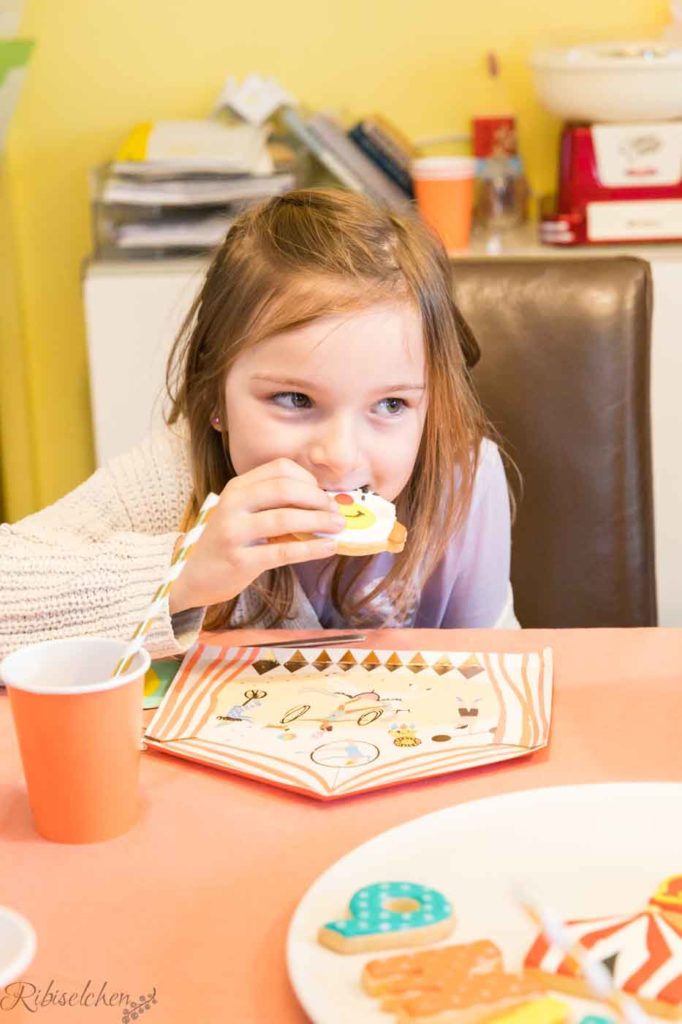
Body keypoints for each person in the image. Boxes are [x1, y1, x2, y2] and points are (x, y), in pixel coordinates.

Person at [0, 188, 518, 662]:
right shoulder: (171, 477)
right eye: (295, 399)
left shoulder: (463, 483)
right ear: (214, 394)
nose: (339, 455)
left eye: (390, 406)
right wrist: (181, 574)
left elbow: (493, 669)